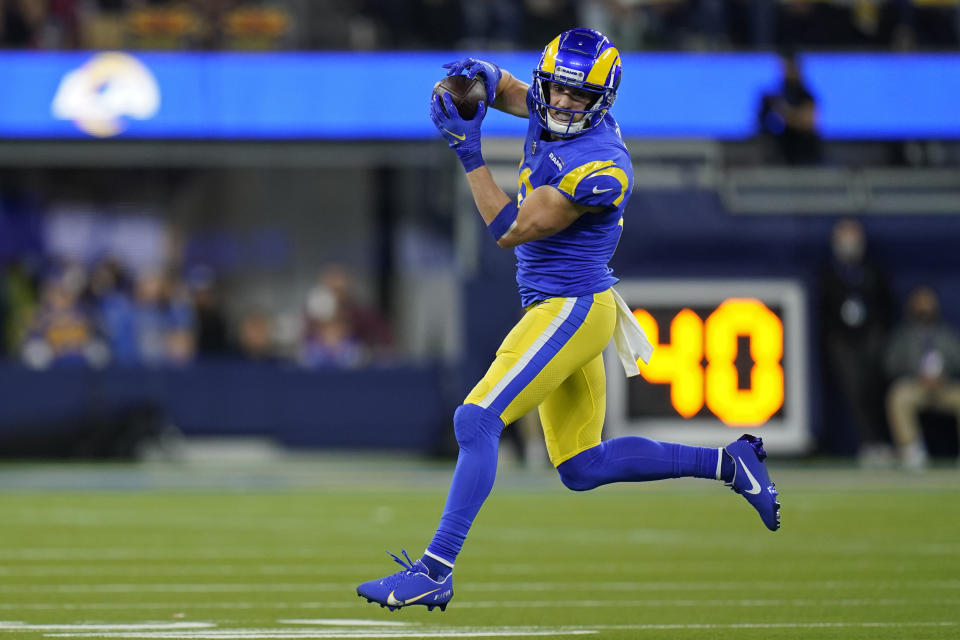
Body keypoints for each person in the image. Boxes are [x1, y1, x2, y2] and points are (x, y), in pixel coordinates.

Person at [357, 28, 780, 613]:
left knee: (476, 420)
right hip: (566, 304)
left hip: (573, 308)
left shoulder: (602, 166)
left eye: (578, 98)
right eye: (556, 91)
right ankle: (729, 463)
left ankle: (436, 569)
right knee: (583, 466)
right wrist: (474, 74)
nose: (561, 105)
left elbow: (510, 229)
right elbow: (505, 87)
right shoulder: (553, 102)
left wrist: (468, 152)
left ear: (602, 100)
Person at [817, 218, 893, 464]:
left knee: (874, 388)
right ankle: (868, 443)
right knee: (855, 390)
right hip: (842, 342)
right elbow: (824, 313)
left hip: (870, 339)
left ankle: (882, 441)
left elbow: (884, 306)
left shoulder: (872, 271)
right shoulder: (828, 274)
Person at [884, 286, 960, 470]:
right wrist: (916, 375)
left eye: (928, 305)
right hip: (916, 385)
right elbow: (890, 364)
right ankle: (912, 450)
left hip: (943, 386)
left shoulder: (946, 335)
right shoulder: (903, 336)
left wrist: (943, 375)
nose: (924, 310)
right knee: (899, 395)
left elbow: (957, 360)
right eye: (920, 306)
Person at [757, 50, 822, 165]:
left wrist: (783, 110)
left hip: (805, 156)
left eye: (788, 68)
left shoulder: (805, 96)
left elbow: (807, 123)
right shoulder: (776, 95)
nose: (784, 72)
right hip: (783, 155)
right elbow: (761, 124)